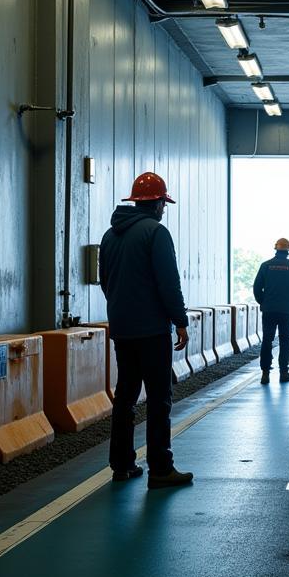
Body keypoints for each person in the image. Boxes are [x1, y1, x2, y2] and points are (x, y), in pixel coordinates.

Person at [99, 172, 193, 489]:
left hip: (122, 329)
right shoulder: (156, 233)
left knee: (125, 396)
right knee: (158, 398)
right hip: (152, 330)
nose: (164, 210)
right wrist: (180, 320)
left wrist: (123, 310)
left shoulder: (110, 237)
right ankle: (161, 469)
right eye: (163, 204)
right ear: (155, 204)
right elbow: (169, 283)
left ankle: (122, 465)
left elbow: (105, 282)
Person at [254, 238, 289, 384]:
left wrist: (263, 302)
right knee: (285, 341)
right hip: (287, 311)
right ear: (288, 252)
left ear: (276, 250)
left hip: (269, 310)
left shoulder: (266, 266)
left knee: (267, 340)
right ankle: (284, 373)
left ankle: (265, 374)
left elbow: (257, 288)